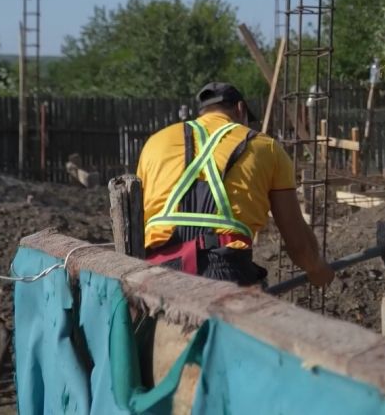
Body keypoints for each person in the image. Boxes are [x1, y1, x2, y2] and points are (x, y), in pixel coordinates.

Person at [137, 81, 334, 288]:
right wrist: (317, 268)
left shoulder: (155, 142)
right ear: (240, 109)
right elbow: (299, 244)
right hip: (222, 271)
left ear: (202, 112)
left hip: (156, 275)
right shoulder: (266, 147)